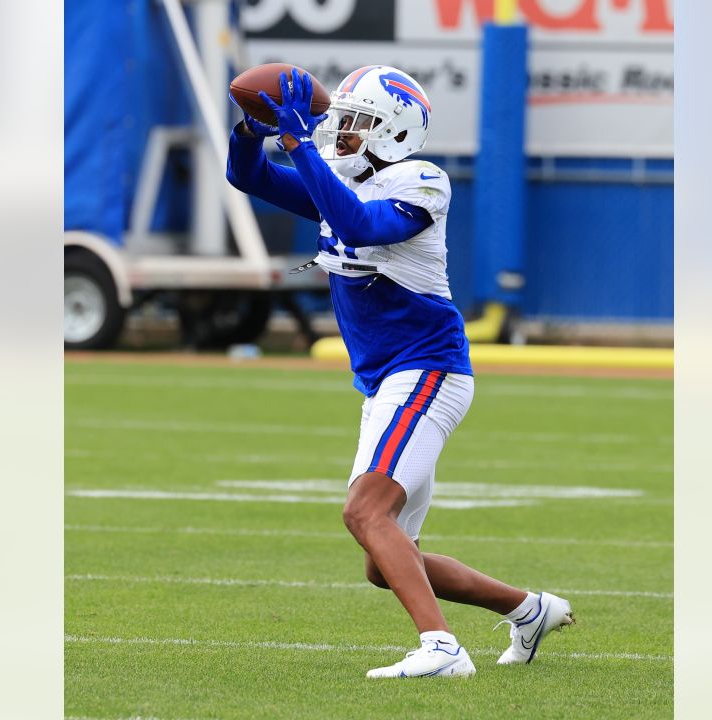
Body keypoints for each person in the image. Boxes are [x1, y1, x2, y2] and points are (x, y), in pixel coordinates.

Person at [226, 66, 574, 679]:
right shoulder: (340, 179)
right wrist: (251, 131)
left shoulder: (422, 181)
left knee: (364, 514)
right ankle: (528, 609)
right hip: (392, 379)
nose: (343, 134)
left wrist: (300, 146)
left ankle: (442, 648)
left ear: (394, 131)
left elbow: (362, 226)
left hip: (427, 369)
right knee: (381, 559)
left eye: (358, 123)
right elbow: (246, 175)